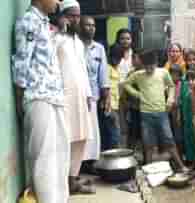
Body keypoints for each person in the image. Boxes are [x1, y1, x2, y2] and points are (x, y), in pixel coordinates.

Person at [12, 0, 70, 202]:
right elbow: (22, 62)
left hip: (54, 97)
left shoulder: (45, 23)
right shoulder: (28, 22)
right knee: (43, 159)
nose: (59, 2)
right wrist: (21, 100)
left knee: (61, 154)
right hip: (38, 98)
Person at [124, 50, 190, 172]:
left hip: (162, 113)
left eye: (152, 66)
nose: (149, 69)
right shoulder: (138, 75)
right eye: (147, 66)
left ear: (156, 63)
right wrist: (137, 94)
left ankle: (181, 166)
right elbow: (126, 84)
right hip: (145, 114)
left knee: (169, 140)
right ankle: (149, 169)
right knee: (148, 143)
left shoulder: (163, 73)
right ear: (143, 65)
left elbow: (171, 86)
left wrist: (170, 99)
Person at [57, 0, 95, 194]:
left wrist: (89, 94)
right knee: (66, 138)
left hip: (81, 97)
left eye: (78, 16)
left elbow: (83, 71)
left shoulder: (78, 43)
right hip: (63, 97)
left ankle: (73, 178)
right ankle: (63, 181)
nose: (75, 19)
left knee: (81, 138)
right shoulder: (55, 39)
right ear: (62, 16)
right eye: (71, 15)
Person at [79, 15, 110, 172]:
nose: (90, 28)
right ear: (80, 27)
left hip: (92, 96)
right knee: (78, 129)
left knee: (92, 129)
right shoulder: (75, 45)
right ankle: (78, 163)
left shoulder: (99, 48)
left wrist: (106, 96)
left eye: (93, 25)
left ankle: (90, 162)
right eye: (86, 25)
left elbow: (103, 74)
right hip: (76, 95)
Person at [112, 28, 134, 147]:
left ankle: (132, 147)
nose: (125, 41)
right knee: (120, 122)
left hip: (132, 92)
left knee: (133, 121)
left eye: (128, 38)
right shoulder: (115, 54)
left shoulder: (134, 54)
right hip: (117, 92)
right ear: (118, 40)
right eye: (122, 38)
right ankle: (122, 148)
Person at [101, 44, 122, 151]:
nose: (117, 60)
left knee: (113, 133)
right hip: (109, 106)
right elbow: (105, 87)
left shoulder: (116, 69)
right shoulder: (107, 68)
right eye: (115, 57)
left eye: (119, 58)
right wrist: (107, 104)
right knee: (115, 134)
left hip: (116, 105)